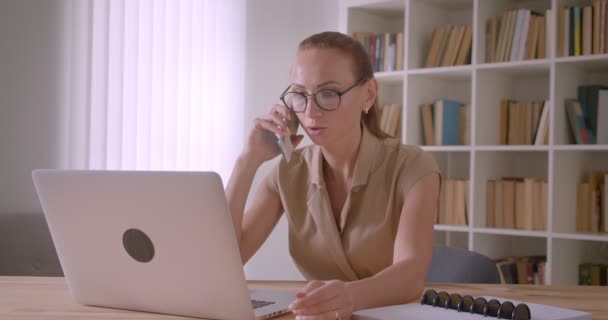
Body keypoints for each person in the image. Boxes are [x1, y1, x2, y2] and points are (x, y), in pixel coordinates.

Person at [225, 31, 441, 320]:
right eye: (300, 95)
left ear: (368, 94)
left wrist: (348, 297)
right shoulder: (289, 171)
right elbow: (225, 261)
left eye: (328, 94)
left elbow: (411, 275)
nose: (311, 112)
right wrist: (247, 161)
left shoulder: (414, 167)